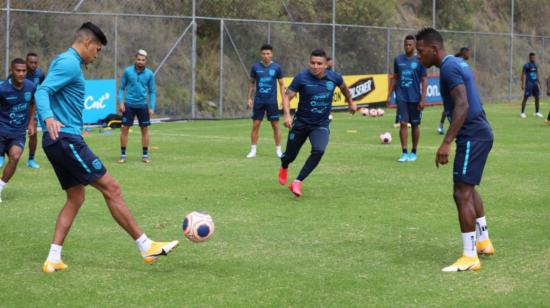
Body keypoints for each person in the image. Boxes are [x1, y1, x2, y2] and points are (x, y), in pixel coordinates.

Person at [35, 22, 177, 273]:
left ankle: (53, 257)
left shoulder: (64, 60)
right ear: (87, 43)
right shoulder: (69, 63)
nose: (96, 55)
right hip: (66, 139)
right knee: (111, 187)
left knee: (76, 197)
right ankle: (146, 246)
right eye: (97, 50)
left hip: (56, 140)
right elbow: (42, 91)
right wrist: (47, 116)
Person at [415, 27, 495, 272]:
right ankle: (483, 241)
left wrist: (446, 142)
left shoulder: (449, 68)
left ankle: (470, 256)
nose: (419, 56)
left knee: (461, 193)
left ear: (434, 48)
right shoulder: (456, 63)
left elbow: (462, 104)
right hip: (479, 132)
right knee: (468, 188)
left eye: (421, 51)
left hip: (471, 135)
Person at [278, 49, 356, 197]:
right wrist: (287, 116)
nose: (315, 66)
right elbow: (287, 97)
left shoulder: (334, 78)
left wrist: (350, 102)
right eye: (312, 63)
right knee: (290, 156)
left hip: (320, 124)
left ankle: (298, 181)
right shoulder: (302, 78)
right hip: (300, 123)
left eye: (319, 63)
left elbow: (345, 89)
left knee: (319, 150)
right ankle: (284, 165)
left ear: (326, 64)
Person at [0, 58, 37, 203]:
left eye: (24, 71)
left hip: (18, 132)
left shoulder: (30, 87)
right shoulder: (3, 89)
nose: (21, 74)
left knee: (15, 157)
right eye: (18, 71)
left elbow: (33, 103)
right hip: (1, 131)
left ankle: (0, 187)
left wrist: (31, 122)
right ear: (11, 70)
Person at [386, 35, 427, 162]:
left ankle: (413, 152)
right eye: (406, 44)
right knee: (403, 123)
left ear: (414, 46)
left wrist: (423, 99)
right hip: (401, 97)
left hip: (415, 98)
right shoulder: (398, 60)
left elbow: (424, 80)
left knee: (415, 125)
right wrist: (388, 95)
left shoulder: (420, 61)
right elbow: (395, 78)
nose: (407, 46)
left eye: (410, 45)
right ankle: (404, 152)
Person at [246, 44, 285, 158]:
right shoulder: (255, 67)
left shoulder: (277, 68)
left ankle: (278, 150)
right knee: (255, 125)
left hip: (272, 102)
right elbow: (251, 83)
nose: (266, 56)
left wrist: (284, 99)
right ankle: (253, 150)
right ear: (260, 54)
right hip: (259, 101)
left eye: (268, 53)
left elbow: (282, 84)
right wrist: (249, 98)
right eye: (263, 53)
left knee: (275, 125)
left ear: (271, 54)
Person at [118, 49, 156, 163]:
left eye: (143, 60)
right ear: (135, 59)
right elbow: (121, 88)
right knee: (125, 129)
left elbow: (152, 91)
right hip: (129, 105)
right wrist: (121, 102)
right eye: (139, 59)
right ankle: (123, 155)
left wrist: (152, 107)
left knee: (144, 130)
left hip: (142, 106)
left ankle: (145, 156)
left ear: (145, 61)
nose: (140, 62)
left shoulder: (149, 74)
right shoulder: (127, 71)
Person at [438, 47, 470, 134]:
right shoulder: (456, 62)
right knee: (449, 108)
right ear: (464, 53)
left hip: (460, 88)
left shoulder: (462, 62)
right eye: (468, 53)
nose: (469, 54)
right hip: (453, 88)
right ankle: (441, 126)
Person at [25, 52, 46, 169]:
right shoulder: (19, 72)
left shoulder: (40, 74)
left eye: (35, 63)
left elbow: (43, 89)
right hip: (18, 107)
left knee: (33, 133)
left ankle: (31, 160)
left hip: (32, 107)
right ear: (26, 62)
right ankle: (1, 156)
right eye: (31, 62)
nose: (33, 65)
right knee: (8, 133)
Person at [520, 52, 542, 118]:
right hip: (529, 84)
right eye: (532, 57)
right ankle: (522, 113)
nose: (534, 58)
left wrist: (539, 82)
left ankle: (537, 112)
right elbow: (523, 75)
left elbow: (537, 74)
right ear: (529, 58)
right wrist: (522, 84)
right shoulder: (526, 65)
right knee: (526, 98)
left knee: (537, 97)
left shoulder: (535, 65)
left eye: (534, 57)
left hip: (535, 84)